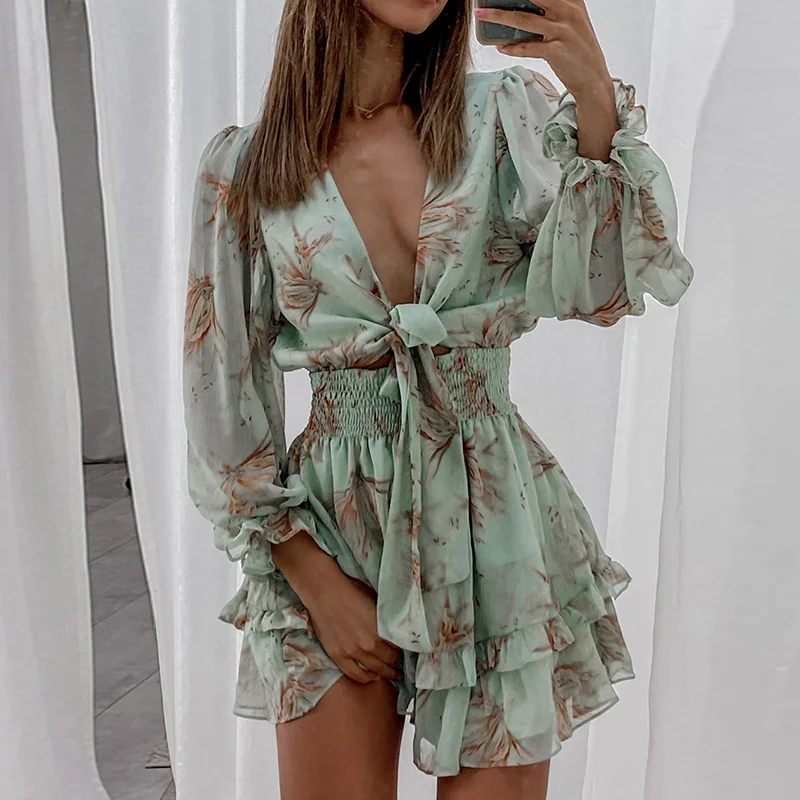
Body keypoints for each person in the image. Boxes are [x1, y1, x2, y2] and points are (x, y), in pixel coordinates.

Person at [182, 1, 694, 798]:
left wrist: (593, 93)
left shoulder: (503, 119)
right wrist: (309, 575)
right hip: (328, 527)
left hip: (492, 517)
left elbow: (602, 289)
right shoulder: (248, 165)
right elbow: (221, 383)